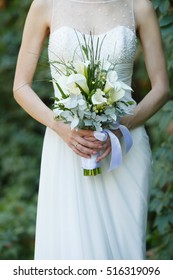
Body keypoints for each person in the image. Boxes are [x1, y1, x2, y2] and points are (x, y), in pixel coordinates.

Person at [13, 0, 169, 260]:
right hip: (67, 147)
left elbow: (162, 88)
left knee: (125, 255)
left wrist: (123, 127)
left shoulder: (138, 6)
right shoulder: (45, 5)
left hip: (124, 151)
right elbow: (20, 86)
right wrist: (60, 127)